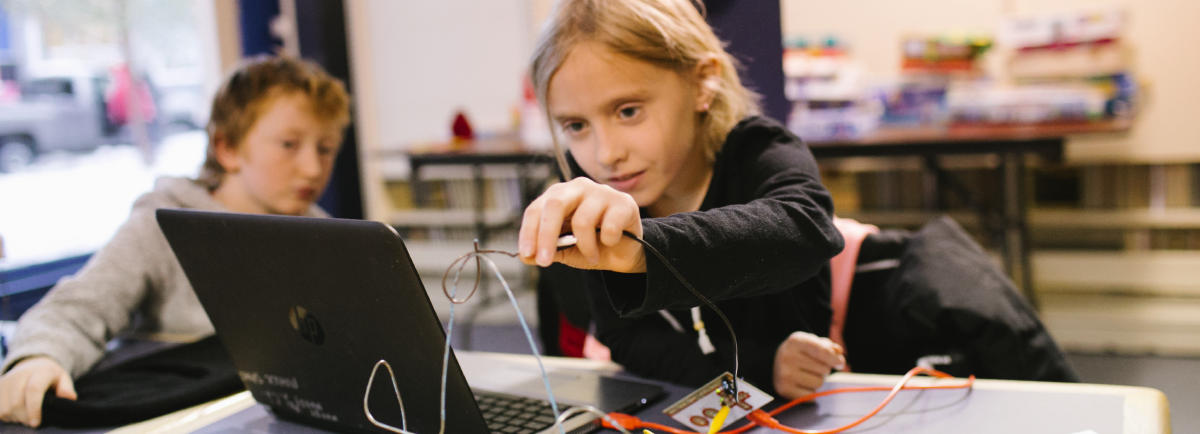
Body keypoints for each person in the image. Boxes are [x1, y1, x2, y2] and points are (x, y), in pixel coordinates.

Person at [518, 0, 847, 400]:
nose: (605, 155)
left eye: (628, 111)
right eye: (576, 125)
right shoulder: (589, 186)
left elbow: (808, 230)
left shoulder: (759, 151)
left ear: (703, 82)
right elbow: (625, 338)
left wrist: (644, 252)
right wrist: (760, 369)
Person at [0, 56, 350, 427]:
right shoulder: (161, 227)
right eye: (289, 144)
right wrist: (39, 357)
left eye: (325, 149)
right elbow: (77, 309)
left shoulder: (325, 236)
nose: (313, 168)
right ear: (228, 148)